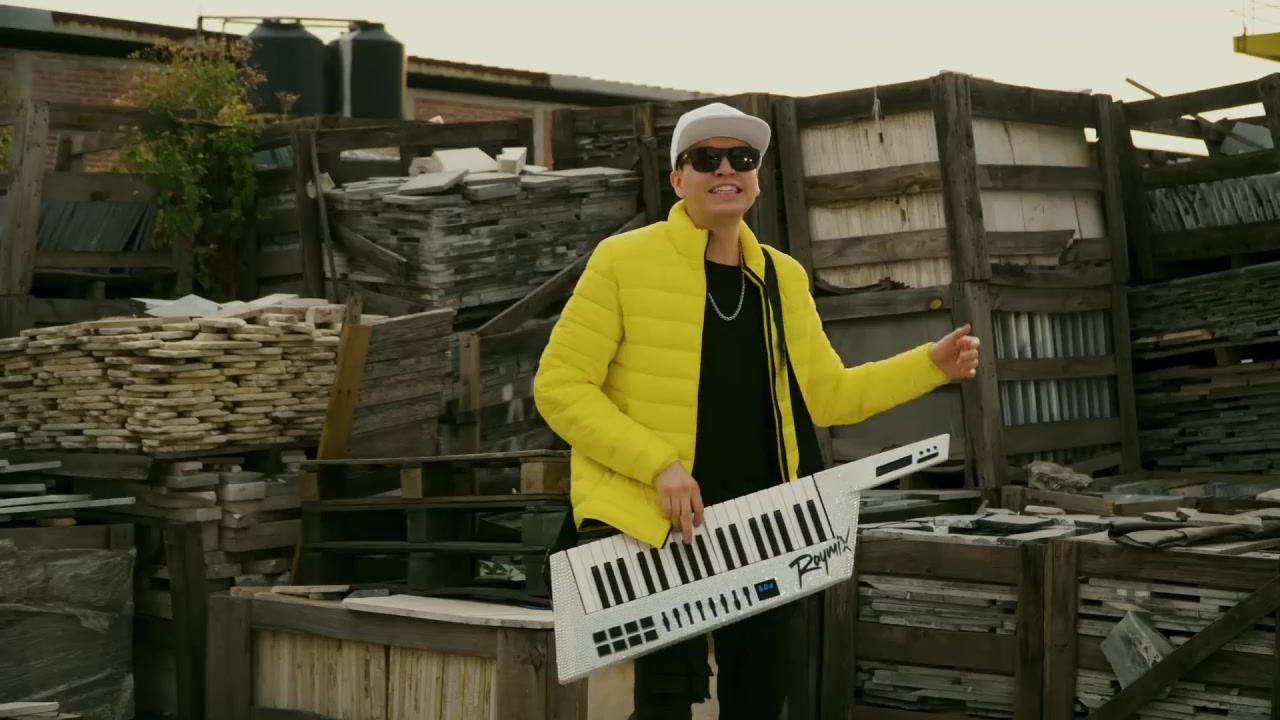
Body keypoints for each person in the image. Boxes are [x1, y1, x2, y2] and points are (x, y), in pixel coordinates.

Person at [533, 102, 980, 719]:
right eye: (706, 158)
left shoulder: (781, 276)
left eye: (741, 158)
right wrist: (657, 465)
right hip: (654, 523)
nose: (726, 169)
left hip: (762, 524)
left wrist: (930, 365)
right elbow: (559, 385)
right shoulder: (622, 260)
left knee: (760, 701)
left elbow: (831, 395)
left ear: (756, 179)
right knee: (664, 705)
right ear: (678, 179)